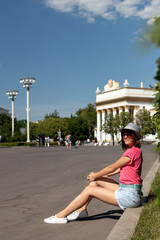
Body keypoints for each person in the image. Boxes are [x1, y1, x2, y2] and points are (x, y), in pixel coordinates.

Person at [44, 122, 143, 224]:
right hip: (129, 191)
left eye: (129, 134)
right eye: (124, 134)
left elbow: (112, 167)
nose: (125, 136)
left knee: (89, 190)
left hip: (129, 196)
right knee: (95, 180)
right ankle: (81, 210)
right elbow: (119, 169)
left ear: (135, 137)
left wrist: (96, 174)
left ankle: (61, 216)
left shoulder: (131, 152)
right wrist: (100, 176)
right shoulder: (136, 151)